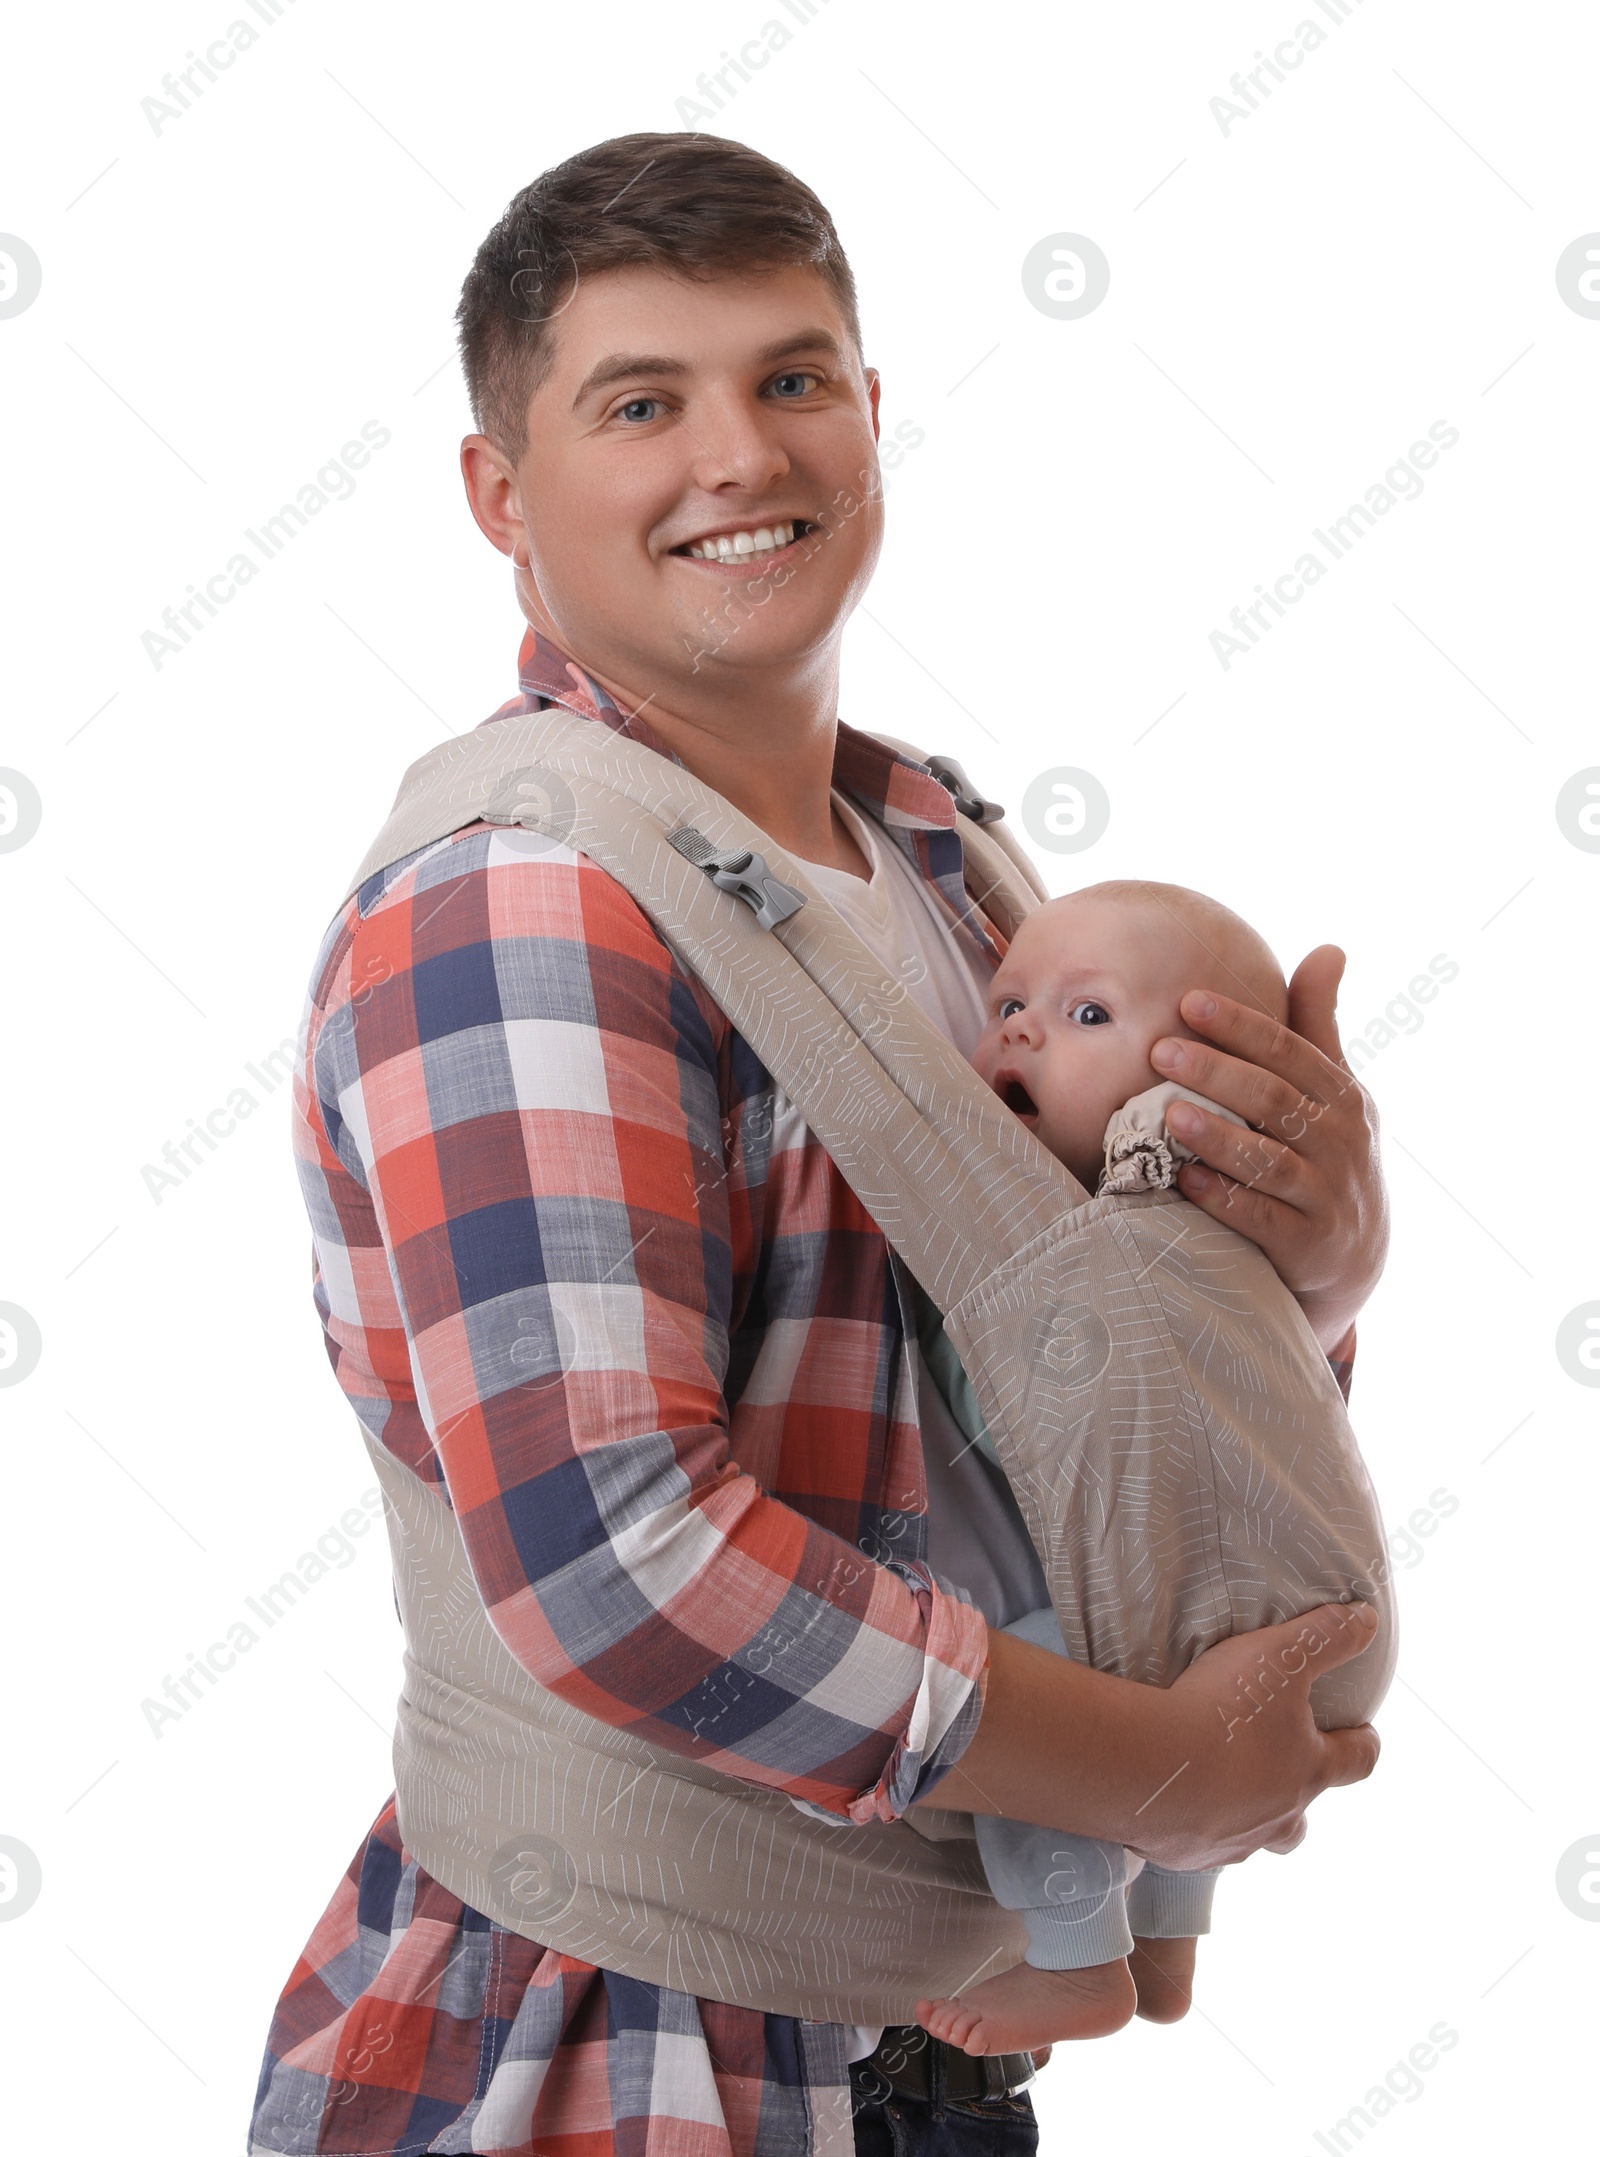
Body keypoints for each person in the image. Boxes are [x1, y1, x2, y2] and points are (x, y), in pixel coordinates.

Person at [249, 134, 1387, 2157]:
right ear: (499, 496)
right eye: (638, 402)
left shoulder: (948, 860)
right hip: (622, 2051)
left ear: (868, 416)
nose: (737, 454)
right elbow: (614, 1561)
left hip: (921, 2065)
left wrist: (1311, 1270)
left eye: (788, 380)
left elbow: (1050, 1398)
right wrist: (1145, 1770)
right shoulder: (525, 899)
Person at [903, 881, 1381, 2058]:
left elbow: (1021, 1403)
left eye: (1084, 1016)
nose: (1014, 1027)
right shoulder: (1211, 1244)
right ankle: (1169, 1940)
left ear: (1197, 1097)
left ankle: (1081, 1965)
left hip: (1204, 1633)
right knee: (1166, 1706)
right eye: (1009, 1000)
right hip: (1312, 1628)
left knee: (1032, 1707)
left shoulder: (1120, 1232)